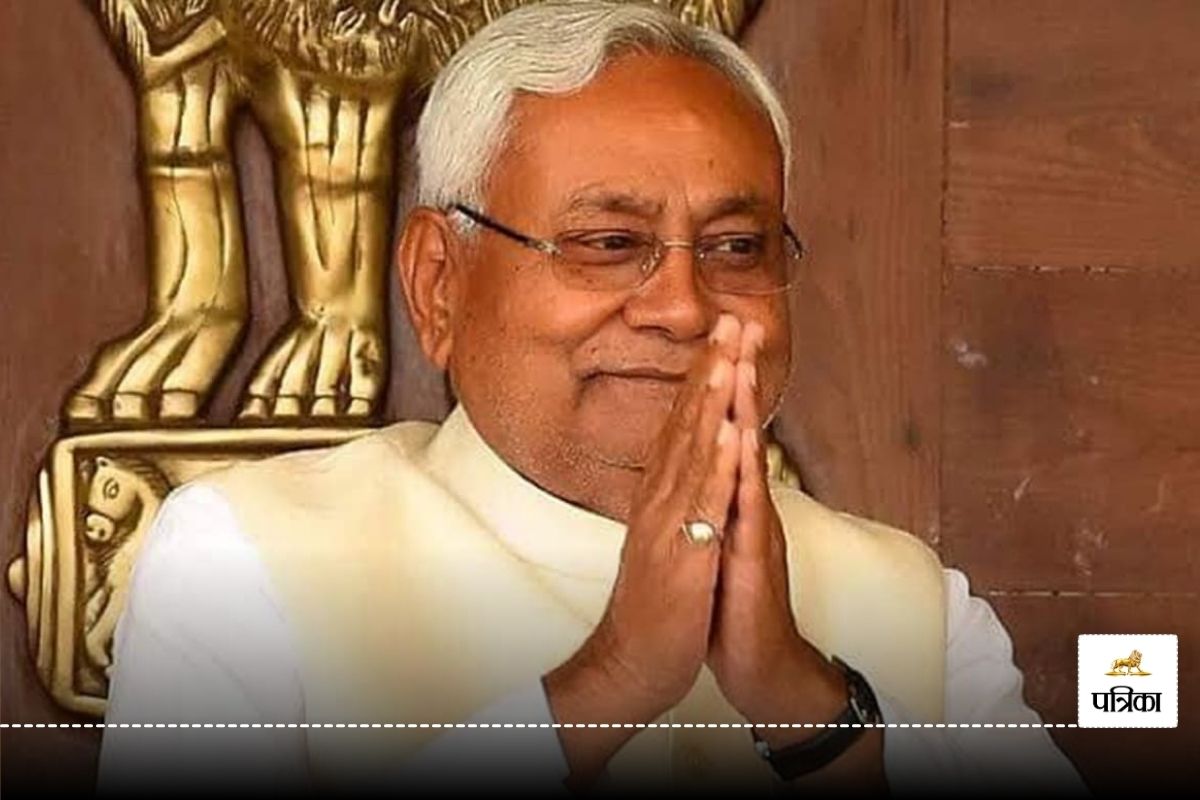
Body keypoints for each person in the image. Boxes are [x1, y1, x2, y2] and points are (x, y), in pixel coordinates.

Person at [98, 1, 1088, 795]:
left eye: (736, 248)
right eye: (610, 244)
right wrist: (607, 683)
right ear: (439, 284)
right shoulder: (249, 557)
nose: (681, 306)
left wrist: (804, 703)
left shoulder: (910, 602)